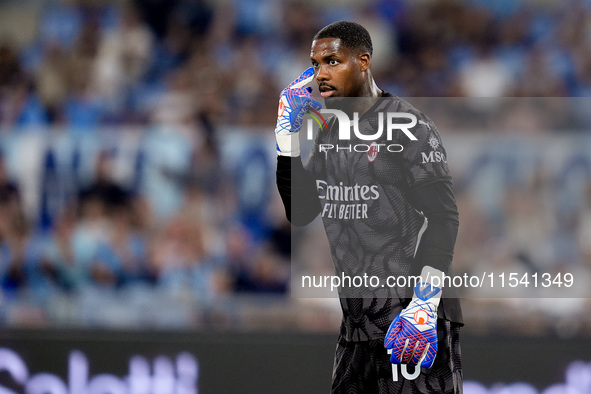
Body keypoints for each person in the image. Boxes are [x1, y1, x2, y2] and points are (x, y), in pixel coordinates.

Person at [275, 21, 463, 393]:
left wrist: (423, 306)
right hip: (357, 329)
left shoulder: (408, 126)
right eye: (315, 64)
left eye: (332, 61)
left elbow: (444, 217)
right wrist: (287, 141)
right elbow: (302, 211)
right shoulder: (332, 130)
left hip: (411, 320)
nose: (321, 74)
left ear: (363, 61)